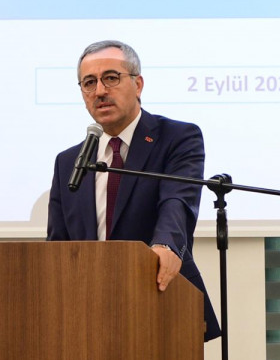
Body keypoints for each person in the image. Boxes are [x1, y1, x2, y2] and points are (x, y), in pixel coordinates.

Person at [46, 40, 222, 342]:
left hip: (160, 296)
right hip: (85, 313)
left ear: (137, 84)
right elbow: (57, 245)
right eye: (89, 83)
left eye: (111, 78)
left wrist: (165, 245)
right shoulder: (69, 161)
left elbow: (177, 201)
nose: (100, 91)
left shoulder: (177, 138)